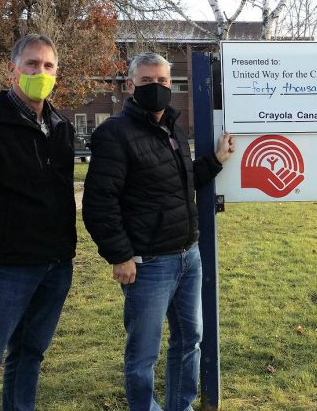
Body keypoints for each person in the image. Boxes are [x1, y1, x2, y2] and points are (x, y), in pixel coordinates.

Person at [82, 52, 234, 411]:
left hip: (187, 256)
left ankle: (179, 406)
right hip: (148, 264)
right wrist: (119, 255)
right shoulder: (113, 134)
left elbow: (181, 182)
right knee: (143, 355)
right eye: (147, 81)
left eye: (163, 81)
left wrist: (215, 160)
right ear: (131, 85)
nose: (157, 88)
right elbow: (99, 204)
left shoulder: (173, 131)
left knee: (189, 341)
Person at [0, 34, 76, 410]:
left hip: (55, 264)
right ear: (12, 70)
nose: (40, 72)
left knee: (30, 354)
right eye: (32, 64)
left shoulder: (61, 126)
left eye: (48, 66)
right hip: (7, 267)